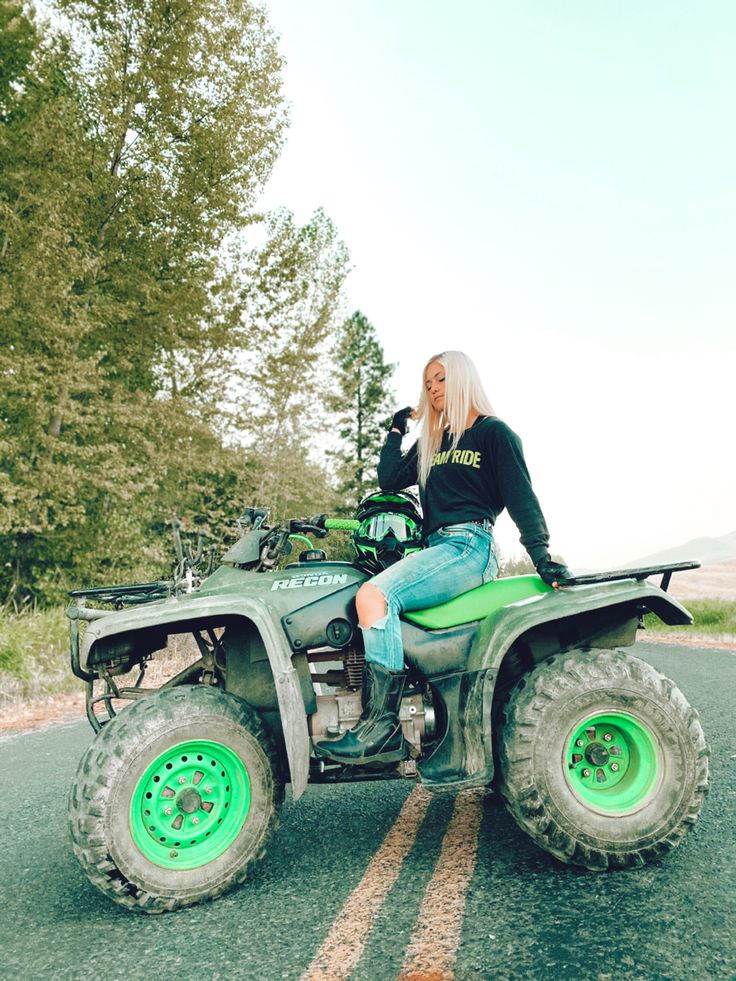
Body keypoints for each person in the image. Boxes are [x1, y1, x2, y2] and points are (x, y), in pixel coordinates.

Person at [315, 350, 570, 765]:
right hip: (436, 547)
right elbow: (390, 479)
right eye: (428, 382)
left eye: (441, 379)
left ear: (463, 379)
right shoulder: (434, 442)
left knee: (374, 597)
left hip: (470, 545)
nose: (433, 388)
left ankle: (383, 727)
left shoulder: (494, 434)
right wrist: (396, 429)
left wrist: (541, 555)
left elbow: (522, 497)